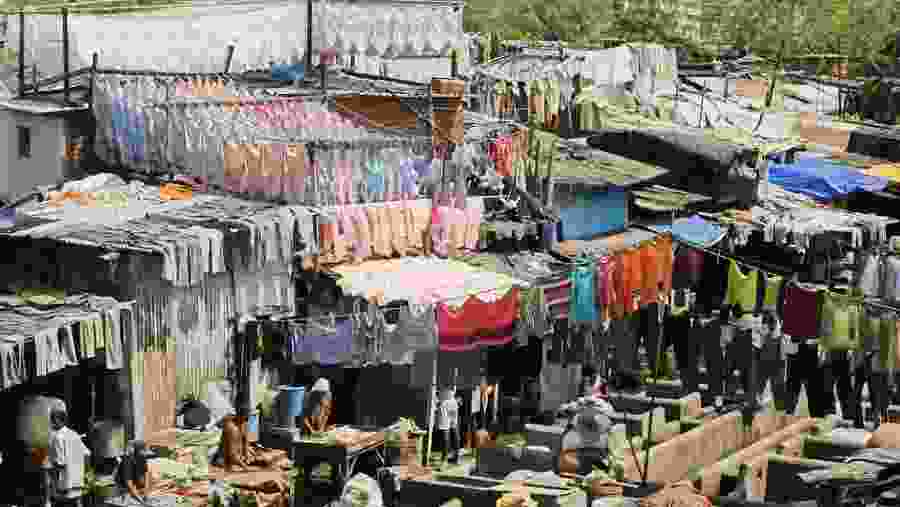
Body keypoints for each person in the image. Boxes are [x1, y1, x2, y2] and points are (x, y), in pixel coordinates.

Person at [48, 409, 91, 507]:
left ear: (59, 420)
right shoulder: (74, 434)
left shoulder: (58, 437)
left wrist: (53, 481)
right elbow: (87, 454)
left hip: (65, 483)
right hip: (77, 481)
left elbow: (60, 463)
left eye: (52, 419)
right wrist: (85, 474)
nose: (51, 422)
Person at [558, 407, 612, 476]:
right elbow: (564, 460)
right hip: (576, 468)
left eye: (591, 425)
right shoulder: (570, 438)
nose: (588, 427)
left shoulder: (604, 438)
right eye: (586, 424)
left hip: (598, 470)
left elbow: (606, 456)